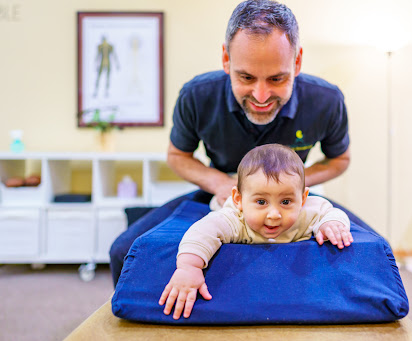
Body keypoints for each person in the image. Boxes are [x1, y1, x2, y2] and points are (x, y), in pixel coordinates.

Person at [110, 0, 374, 288]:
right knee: (124, 251)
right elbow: (178, 156)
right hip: (220, 190)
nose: (261, 96)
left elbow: (339, 159)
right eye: (246, 77)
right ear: (226, 58)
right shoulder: (196, 96)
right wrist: (221, 184)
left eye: (277, 78)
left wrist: (286, 186)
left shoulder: (326, 100)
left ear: (297, 62)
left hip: (292, 197)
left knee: (373, 250)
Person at [158, 144, 354, 319]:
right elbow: (204, 231)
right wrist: (189, 267)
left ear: (302, 199)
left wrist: (331, 225)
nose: (274, 214)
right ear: (239, 199)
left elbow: (331, 213)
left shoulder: (308, 211)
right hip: (226, 206)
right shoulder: (235, 218)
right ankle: (226, 200)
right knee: (217, 208)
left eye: (286, 202)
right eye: (261, 202)